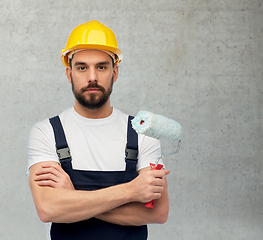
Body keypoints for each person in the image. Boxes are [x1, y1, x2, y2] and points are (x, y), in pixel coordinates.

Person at [27, 20, 170, 240]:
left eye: (101, 67)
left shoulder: (143, 134)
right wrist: (131, 191)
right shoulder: (46, 132)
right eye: (82, 67)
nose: (92, 77)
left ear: (115, 73)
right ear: (69, 74)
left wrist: (73, 198)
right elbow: (48, 209)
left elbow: (158, 212)